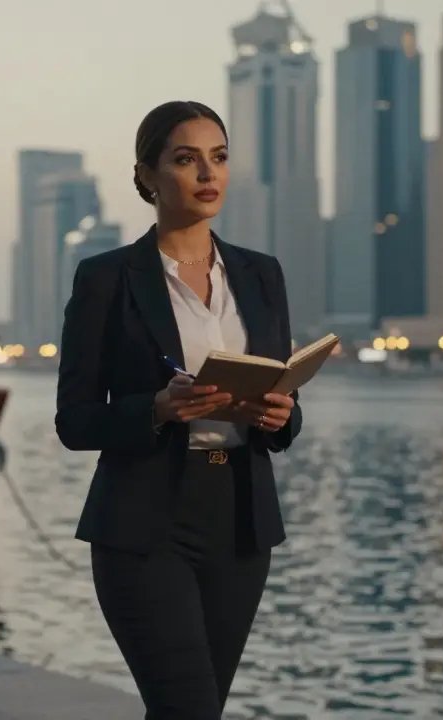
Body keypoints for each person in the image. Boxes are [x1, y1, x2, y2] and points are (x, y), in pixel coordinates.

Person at [54, 100, 302, 719]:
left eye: (217, 158)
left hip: (240, 523)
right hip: (144, 526)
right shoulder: (107, 277)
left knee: (195, 712)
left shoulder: (261, 274)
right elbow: (75, 420)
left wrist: (282, 417)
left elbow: (285, 404)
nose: (206, 173)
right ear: (147, 175)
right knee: (186, 709)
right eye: (185, 159)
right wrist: (158, 409)